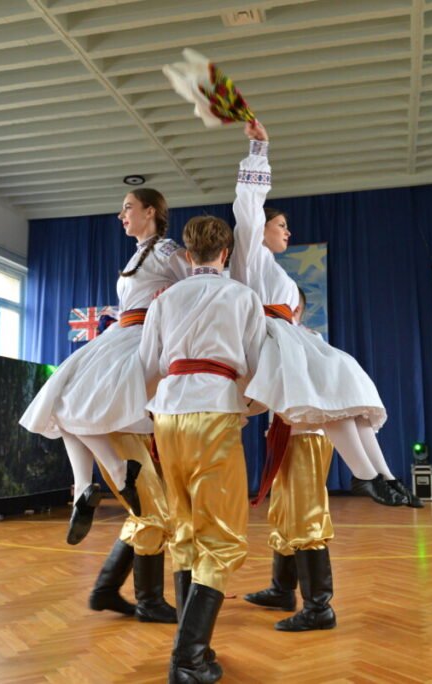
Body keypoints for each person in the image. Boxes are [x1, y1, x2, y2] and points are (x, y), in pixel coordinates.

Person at [229, 119, 421, 509]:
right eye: (281, 225)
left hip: (287, 340)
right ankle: (365, 474)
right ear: (260, 227)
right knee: (333, 387)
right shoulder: (249, 255)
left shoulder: (274, 269)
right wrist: (258, 150)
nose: (288, 232)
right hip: (267, 342)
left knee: (344, 386)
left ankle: (383, 475)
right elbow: (247, 204)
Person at [19, 188, 181, 624]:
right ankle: (142, 597)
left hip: (139, 345)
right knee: (67, 402)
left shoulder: (166, 249)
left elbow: (193, 284)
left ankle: (108, 586)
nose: (121, 215)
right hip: (122, 340)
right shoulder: (141, 253)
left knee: (149, 505)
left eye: (128, 207)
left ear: (151, 211)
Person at [140, 214, 266, 682]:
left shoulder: (165, 298)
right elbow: (255, 366)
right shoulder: (243, 296)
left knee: (184, 527)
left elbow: (148, 365)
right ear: (226, 253)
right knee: (222, 533)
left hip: (168, 412)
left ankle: (194, 647)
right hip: (214, 409)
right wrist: (246, 406)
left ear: (188, 254)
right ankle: (188, 659)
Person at [244, 287, 337, 631]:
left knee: (306, 516)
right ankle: (282, 590)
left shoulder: (307, 339)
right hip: (286, 436)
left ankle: (319, 607)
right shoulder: (276, 339)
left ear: (293, 308)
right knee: (283, 513)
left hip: (306, 435)